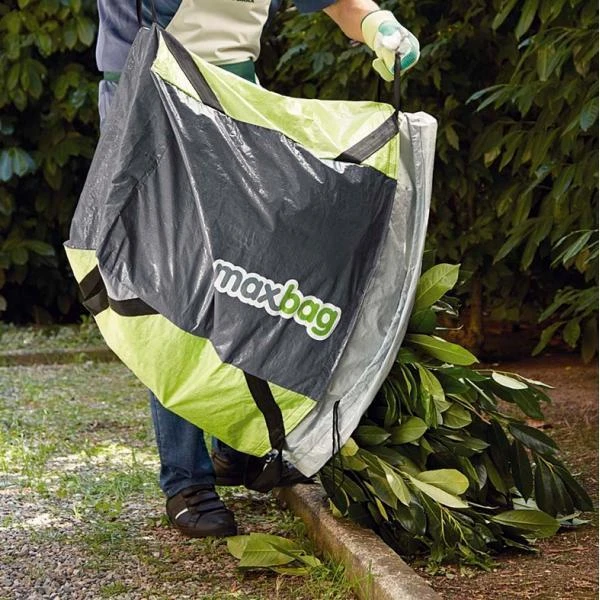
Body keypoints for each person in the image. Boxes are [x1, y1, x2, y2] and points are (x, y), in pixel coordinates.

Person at [95, 0, 420, 539]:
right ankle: (186, 480)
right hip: (152, 98)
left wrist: (375, 25)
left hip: (235, 96)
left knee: (251, 267)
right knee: (176, 280)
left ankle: (236, 447)